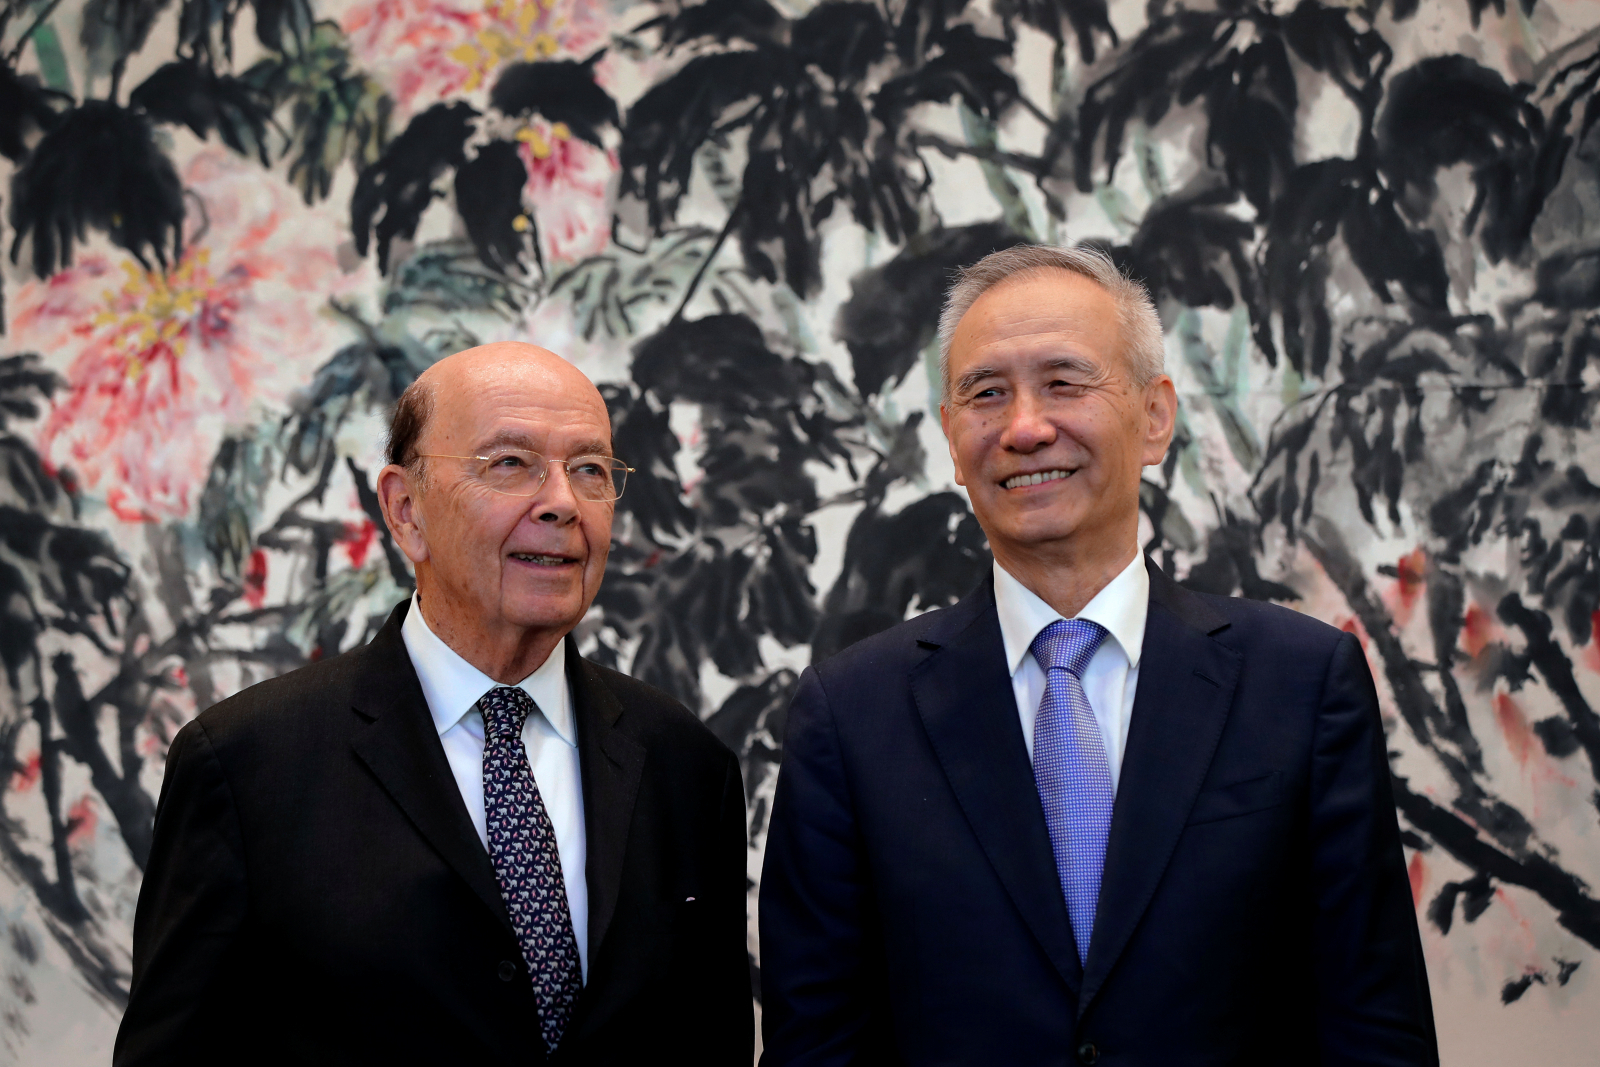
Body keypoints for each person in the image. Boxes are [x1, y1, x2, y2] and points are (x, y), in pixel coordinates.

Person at [758, 246, 1437, 1066]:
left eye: (1064, 382)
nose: (1025, 427)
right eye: (986, 393)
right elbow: (817, 1044)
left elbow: (1374, 1022)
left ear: (1155, 416)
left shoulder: (1301, 681)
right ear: (952, 438)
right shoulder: (851, 713)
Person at [115, 343, 752, 1065]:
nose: (562, 502)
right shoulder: (246, 765)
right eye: (509, 463)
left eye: (590, 470)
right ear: (405, 509)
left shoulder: (686, 767)